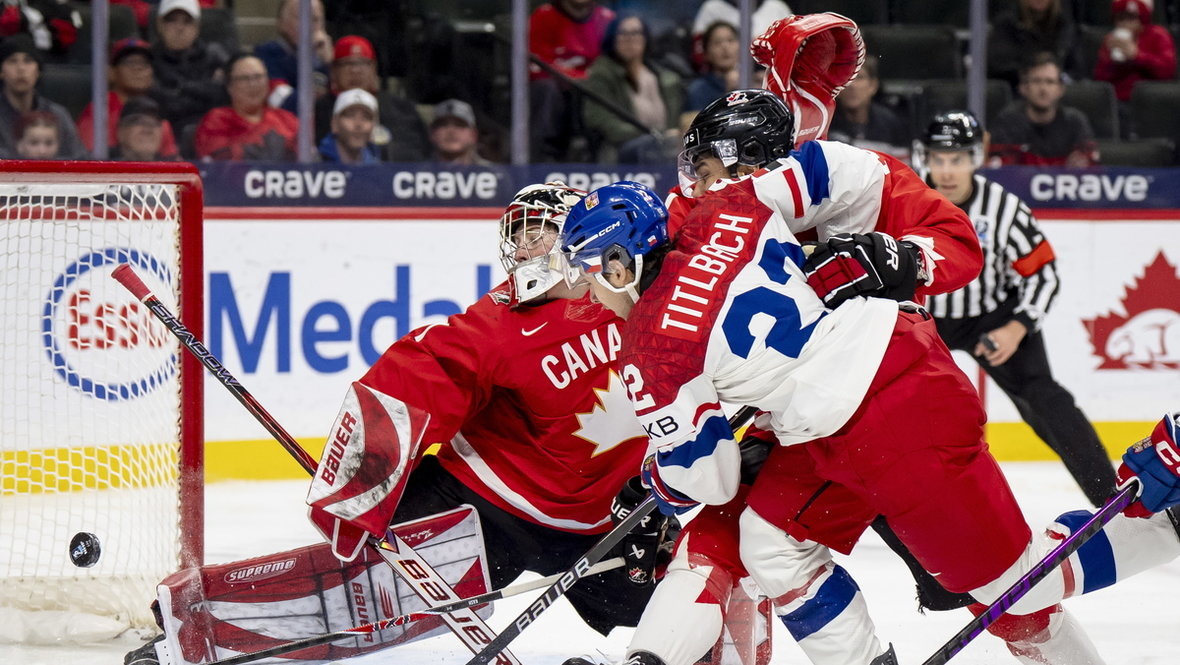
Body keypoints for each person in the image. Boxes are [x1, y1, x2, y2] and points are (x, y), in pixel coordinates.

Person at [557, 179, 1180, 664]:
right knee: (771, 543)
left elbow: (710, 481)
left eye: (589, 272)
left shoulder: (650, 344)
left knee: (1013, 588)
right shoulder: (723, 212)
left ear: (621, 262)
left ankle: (1170, 526)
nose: (587, 292)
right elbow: (827, 180)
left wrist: (660, 482)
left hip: (889, 420)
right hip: (866, 379)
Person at [123, 183, 669, 665]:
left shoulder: (632, 301)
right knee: (357, 593)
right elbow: (417, 378)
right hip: (486, 509)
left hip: (604, 522)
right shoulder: (499, 325)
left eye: (540, 236)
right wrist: (361, 480)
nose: (525, 251)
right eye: (518, 239)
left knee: (675, 598)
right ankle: (188, 625)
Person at [915, 110, 1118, 508]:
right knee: (884, 407)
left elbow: (1044, 274)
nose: (947, 170)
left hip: (992, 313)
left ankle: (1109, 496)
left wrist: (1018, 325)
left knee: (1045, 400)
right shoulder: (907, 203)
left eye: (956, 159)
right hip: (923, 319)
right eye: (939, 159)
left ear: (975, 157)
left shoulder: (1004, 209)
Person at [582, 14, 683, 164]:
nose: (630, 38)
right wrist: (654, 137)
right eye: (623, 33)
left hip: (666, 152)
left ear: (645, 38)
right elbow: (599, 119)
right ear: (612, 38)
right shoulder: (601, 74)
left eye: (636, 32)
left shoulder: (665, 78)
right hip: (621, 153)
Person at [312, 35, 429, 161]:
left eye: (363, 63)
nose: (355, 70)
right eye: (347, 63)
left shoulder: (402, 110)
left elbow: (419, 153)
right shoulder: (317, 111)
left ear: (374, 68)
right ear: (334, 70)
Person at [528, 0, 615, 161]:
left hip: (593, 88)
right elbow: (536, 62)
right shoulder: (543, 16)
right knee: (545, 89)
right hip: (557, 89)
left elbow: (614, 63)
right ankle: (542, 157)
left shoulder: (607, 18)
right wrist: (574, 77)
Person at [77, 37, 181, 159]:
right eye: (129, 62)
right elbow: (93, 162)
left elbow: (172, 160)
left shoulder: (157, 110)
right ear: (111, 72)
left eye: (144, 63)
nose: (138, 68)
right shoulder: (99, 111)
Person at [988, 52, 1098, 167]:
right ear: (1023, 87)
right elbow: (999, 170)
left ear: (1060, 89)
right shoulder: (1007, 122)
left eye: (1050, 82)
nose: (1043, 89)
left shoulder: (1076, 122)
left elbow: (1092, 169)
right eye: (1036, 81)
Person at [1093, 0, 1176, 138]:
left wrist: (1137, 56)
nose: (1125, 23)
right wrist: (1111, 60)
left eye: (1131, 18)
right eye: (1121, 18)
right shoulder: (1111, 40)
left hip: (1151, 103)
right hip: (1118, 104)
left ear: (1142, 18)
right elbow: (1099, 78)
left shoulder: (1158, 35)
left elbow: (1167, 71)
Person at [149, 0, 230, 140]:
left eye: (187, 21)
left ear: (197, 27)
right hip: (165, 137)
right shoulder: (148, 59)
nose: (179, 27)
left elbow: (225, 98)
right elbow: (165, 106)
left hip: (212, 133)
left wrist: (181, 88)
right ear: (159, 24)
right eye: (171, 21)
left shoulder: (215, 56)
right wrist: (205, 90)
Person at [194, 53, 298, 161]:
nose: (253, 84)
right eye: (244, 78)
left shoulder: (288, 120)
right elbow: (220, 166)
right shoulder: (216, 120)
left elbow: (308, 163)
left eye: (258, 77)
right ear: (229, 86)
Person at [0, 33, 86, 158]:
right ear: (1, 72)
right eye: (12, 61)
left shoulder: (58, 114)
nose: (21, 68)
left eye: (28, 61)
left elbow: (79, 158)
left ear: (38, 71)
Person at [988, 0, 1084, 92]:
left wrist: (1055, 79)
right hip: (1017, 90)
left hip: (1058, 91)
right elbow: (1000, 64)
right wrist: (1032, 77)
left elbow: (1076, 69)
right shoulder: (1007, 25)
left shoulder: (1064, 26)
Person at [254, 0, 332, 112]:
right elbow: (284, 103)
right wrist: (318, 67)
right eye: (301, 17)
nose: (308, 25)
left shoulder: (329, 56)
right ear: (281, 23)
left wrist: (329, 64)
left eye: (315, 19)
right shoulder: (267, 54)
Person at [827, 55, 910, 160]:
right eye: (847, 77)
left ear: (873, 86)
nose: (852, 85)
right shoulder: (825, 122)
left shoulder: (891, 124)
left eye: (859, 77)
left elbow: (902, 169)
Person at [680, 21, 740, 132]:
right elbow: (691, 131)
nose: (725, 47)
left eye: (730, 40)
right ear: (706, 53)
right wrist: (729, 93)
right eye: (717, 43)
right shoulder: (698, 90)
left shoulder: (755, 82)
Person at [317, 87, 384, 164]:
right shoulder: (313, 164)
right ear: (334, 124)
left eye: (366, 117)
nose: (358, 124)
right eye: (350, 115)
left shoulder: (379, 171)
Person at [428, 98, 494, 166]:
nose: (451, 131)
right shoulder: (418, 173)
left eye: (459, 125)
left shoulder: (494, 174)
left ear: (473, 135)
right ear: (432, 134)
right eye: (443, 124)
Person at [111, 95, 173, 161]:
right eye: (139, 122)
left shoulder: (174, 169)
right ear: (121, 132)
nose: (148, 129)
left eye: (155, 123)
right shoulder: (105, 169)